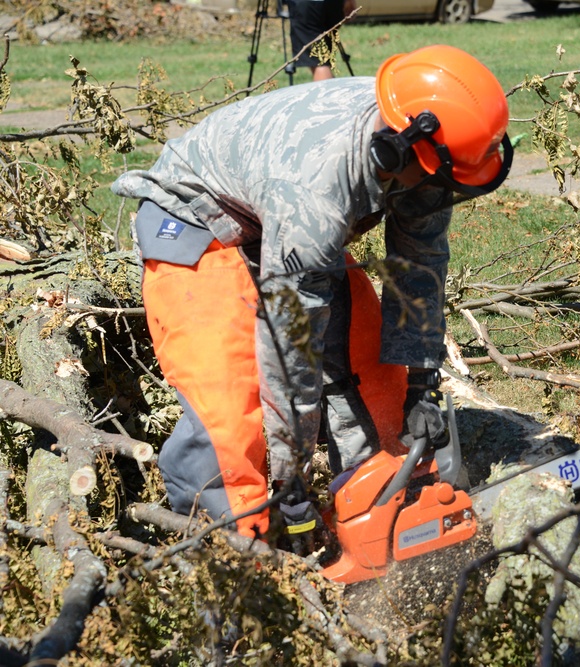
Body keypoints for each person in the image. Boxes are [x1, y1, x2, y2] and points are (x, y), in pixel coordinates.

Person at [111, 45, 513, 548]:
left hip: (278, 222)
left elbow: (419, 267)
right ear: (398, 150)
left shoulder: (428, 141)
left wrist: (421, 382)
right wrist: (290, 478)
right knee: (227, 424)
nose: (441, 194)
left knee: (373, 378)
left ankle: (376, 529)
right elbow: (290, 349)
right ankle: (237, 574)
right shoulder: (319, 191)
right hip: (196, 219)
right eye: (439, 182)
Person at [285, 0, 355, 81]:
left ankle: (327, 92)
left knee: (319, 62)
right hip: (334, 4)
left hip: (308, 6)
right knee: (323, 59)